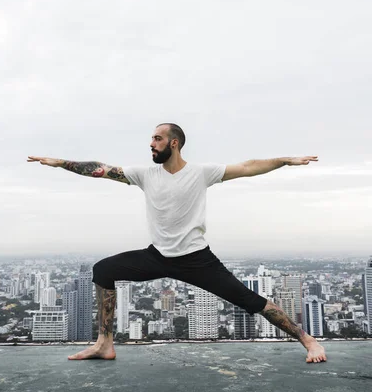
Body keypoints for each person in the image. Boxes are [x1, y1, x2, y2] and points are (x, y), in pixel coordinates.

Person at [28, 122, 327, 364]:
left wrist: (285, 161)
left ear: (174, 143)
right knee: (103, 270)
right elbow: (102, 169)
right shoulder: (145, 175)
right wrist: (60, 163)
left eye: (157, 139)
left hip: (197, 259)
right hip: (157, 256)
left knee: (250, 300)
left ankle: (308, 340)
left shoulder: (200, 173)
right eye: (151, 139)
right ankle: (104, 344)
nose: (151, 144)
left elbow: (247, 167)